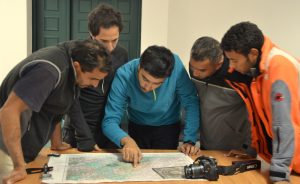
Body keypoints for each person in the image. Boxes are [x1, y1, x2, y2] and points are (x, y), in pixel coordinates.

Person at [0, 39, 111, 184]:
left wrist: (56, 143)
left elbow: (55, 104)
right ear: (77, 66)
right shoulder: (48, 71)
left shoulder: (71, 64)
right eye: (93, 78)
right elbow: (8, 111)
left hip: (24, 149)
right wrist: (19, 166)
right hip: (6, 150)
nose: (95, 85)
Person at [220, 21, 300, 183]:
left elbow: (285, 125)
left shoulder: (279, 67)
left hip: (291, 165)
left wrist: (279, 174)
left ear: (253, 53)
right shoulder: (258, 72)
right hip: (290, 164)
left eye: (235, 60)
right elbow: (258, 116)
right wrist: (251, 150)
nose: (232, 66)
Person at [102, 45, 200, 167]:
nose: (147, 87)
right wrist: (126, 141)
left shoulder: (176, 68)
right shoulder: (123, 75)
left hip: (168, 128)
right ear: (139, 66)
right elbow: (109, 121)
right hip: (137, 128)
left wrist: (189, 140)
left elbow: (191, 102)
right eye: (145, 79)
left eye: (157, 84)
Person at [60, 4, 128, 151]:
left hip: (109, 127)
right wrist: (84, 136)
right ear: (92, 35)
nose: (110, 47)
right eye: (103, 41)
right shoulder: (76, 53)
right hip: (78, 126)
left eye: (115, 40)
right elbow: (71, 100)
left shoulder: (122, 54)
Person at [189, 36, 253, 151]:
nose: (195, 73)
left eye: (202, 70)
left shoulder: (240, 74)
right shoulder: (196, 68)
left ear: (218, 64)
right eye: (193, 67)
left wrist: (249, 148)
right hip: (206, 143)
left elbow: (256, 114)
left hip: (236, 149)